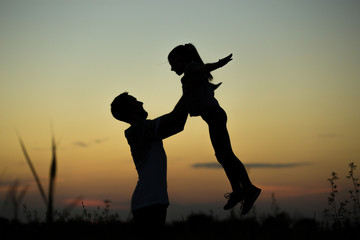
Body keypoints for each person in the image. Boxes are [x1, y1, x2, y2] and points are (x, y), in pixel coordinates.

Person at [168, 43, 261, 215]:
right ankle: (238, 190)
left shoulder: (192, 68)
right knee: (222, 155)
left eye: (172, 64)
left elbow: (205, 68)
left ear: (182, 60)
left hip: (215, 115)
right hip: (213, 116)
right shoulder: (193, 73)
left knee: (227, 155)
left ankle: (248, 188)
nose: (172, 69)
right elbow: (201, 86)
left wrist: (220, 63)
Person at [110, 92, 188, 240]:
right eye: (135, 101)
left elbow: (179, 123)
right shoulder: (138, 130)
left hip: (153, 200)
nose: (141, 103)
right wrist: (189, 87)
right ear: (130, 109)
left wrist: (191, 93)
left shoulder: (147, 131)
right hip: (149, 201)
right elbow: (175, 116)